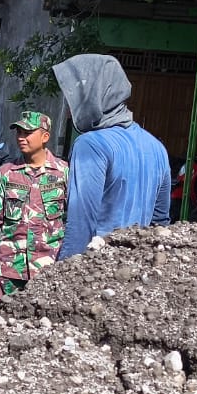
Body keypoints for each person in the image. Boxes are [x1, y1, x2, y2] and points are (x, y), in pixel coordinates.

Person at [52, 54, 171, 259]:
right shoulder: (157, 147)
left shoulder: (90, 145)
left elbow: (81, 222)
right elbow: (160, 223)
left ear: (92, 97)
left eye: (73, 99)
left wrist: (62, 274)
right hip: (134, 271)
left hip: (96, 269)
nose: (69, 109)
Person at [0, 111, 67, 298]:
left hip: (48, 268)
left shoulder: (63, 173)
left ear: (45, 136)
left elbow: (74, 218)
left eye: (27, 133)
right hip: (9, 270)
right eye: (19, 133)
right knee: (0, 322)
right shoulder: (7, 173)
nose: (21, 138)